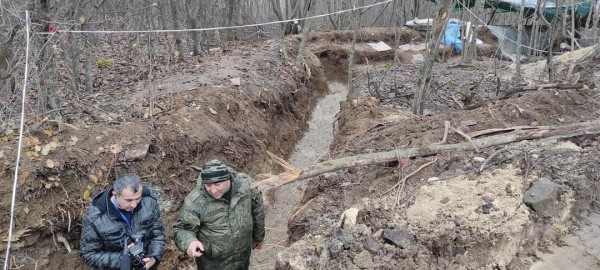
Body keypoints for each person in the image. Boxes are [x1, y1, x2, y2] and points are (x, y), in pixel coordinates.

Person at [174, 159, 265, 270]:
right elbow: (182, 229)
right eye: (208, 185)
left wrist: (258, 236)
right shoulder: (196, 202)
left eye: (217, 184)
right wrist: (190, 242)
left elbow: (257, 208)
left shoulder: (245, 184)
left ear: (227, 179)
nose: (213, 190)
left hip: (242, 257)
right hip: (213, 264)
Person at [80, 173, 165, 270]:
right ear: (115, 195)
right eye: (129, 200)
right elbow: (88, 255)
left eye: (138, 198)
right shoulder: (95, 218)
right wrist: (123, 259)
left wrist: (154, 257)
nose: (134, 205)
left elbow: (158, 235)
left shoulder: (149, 202)